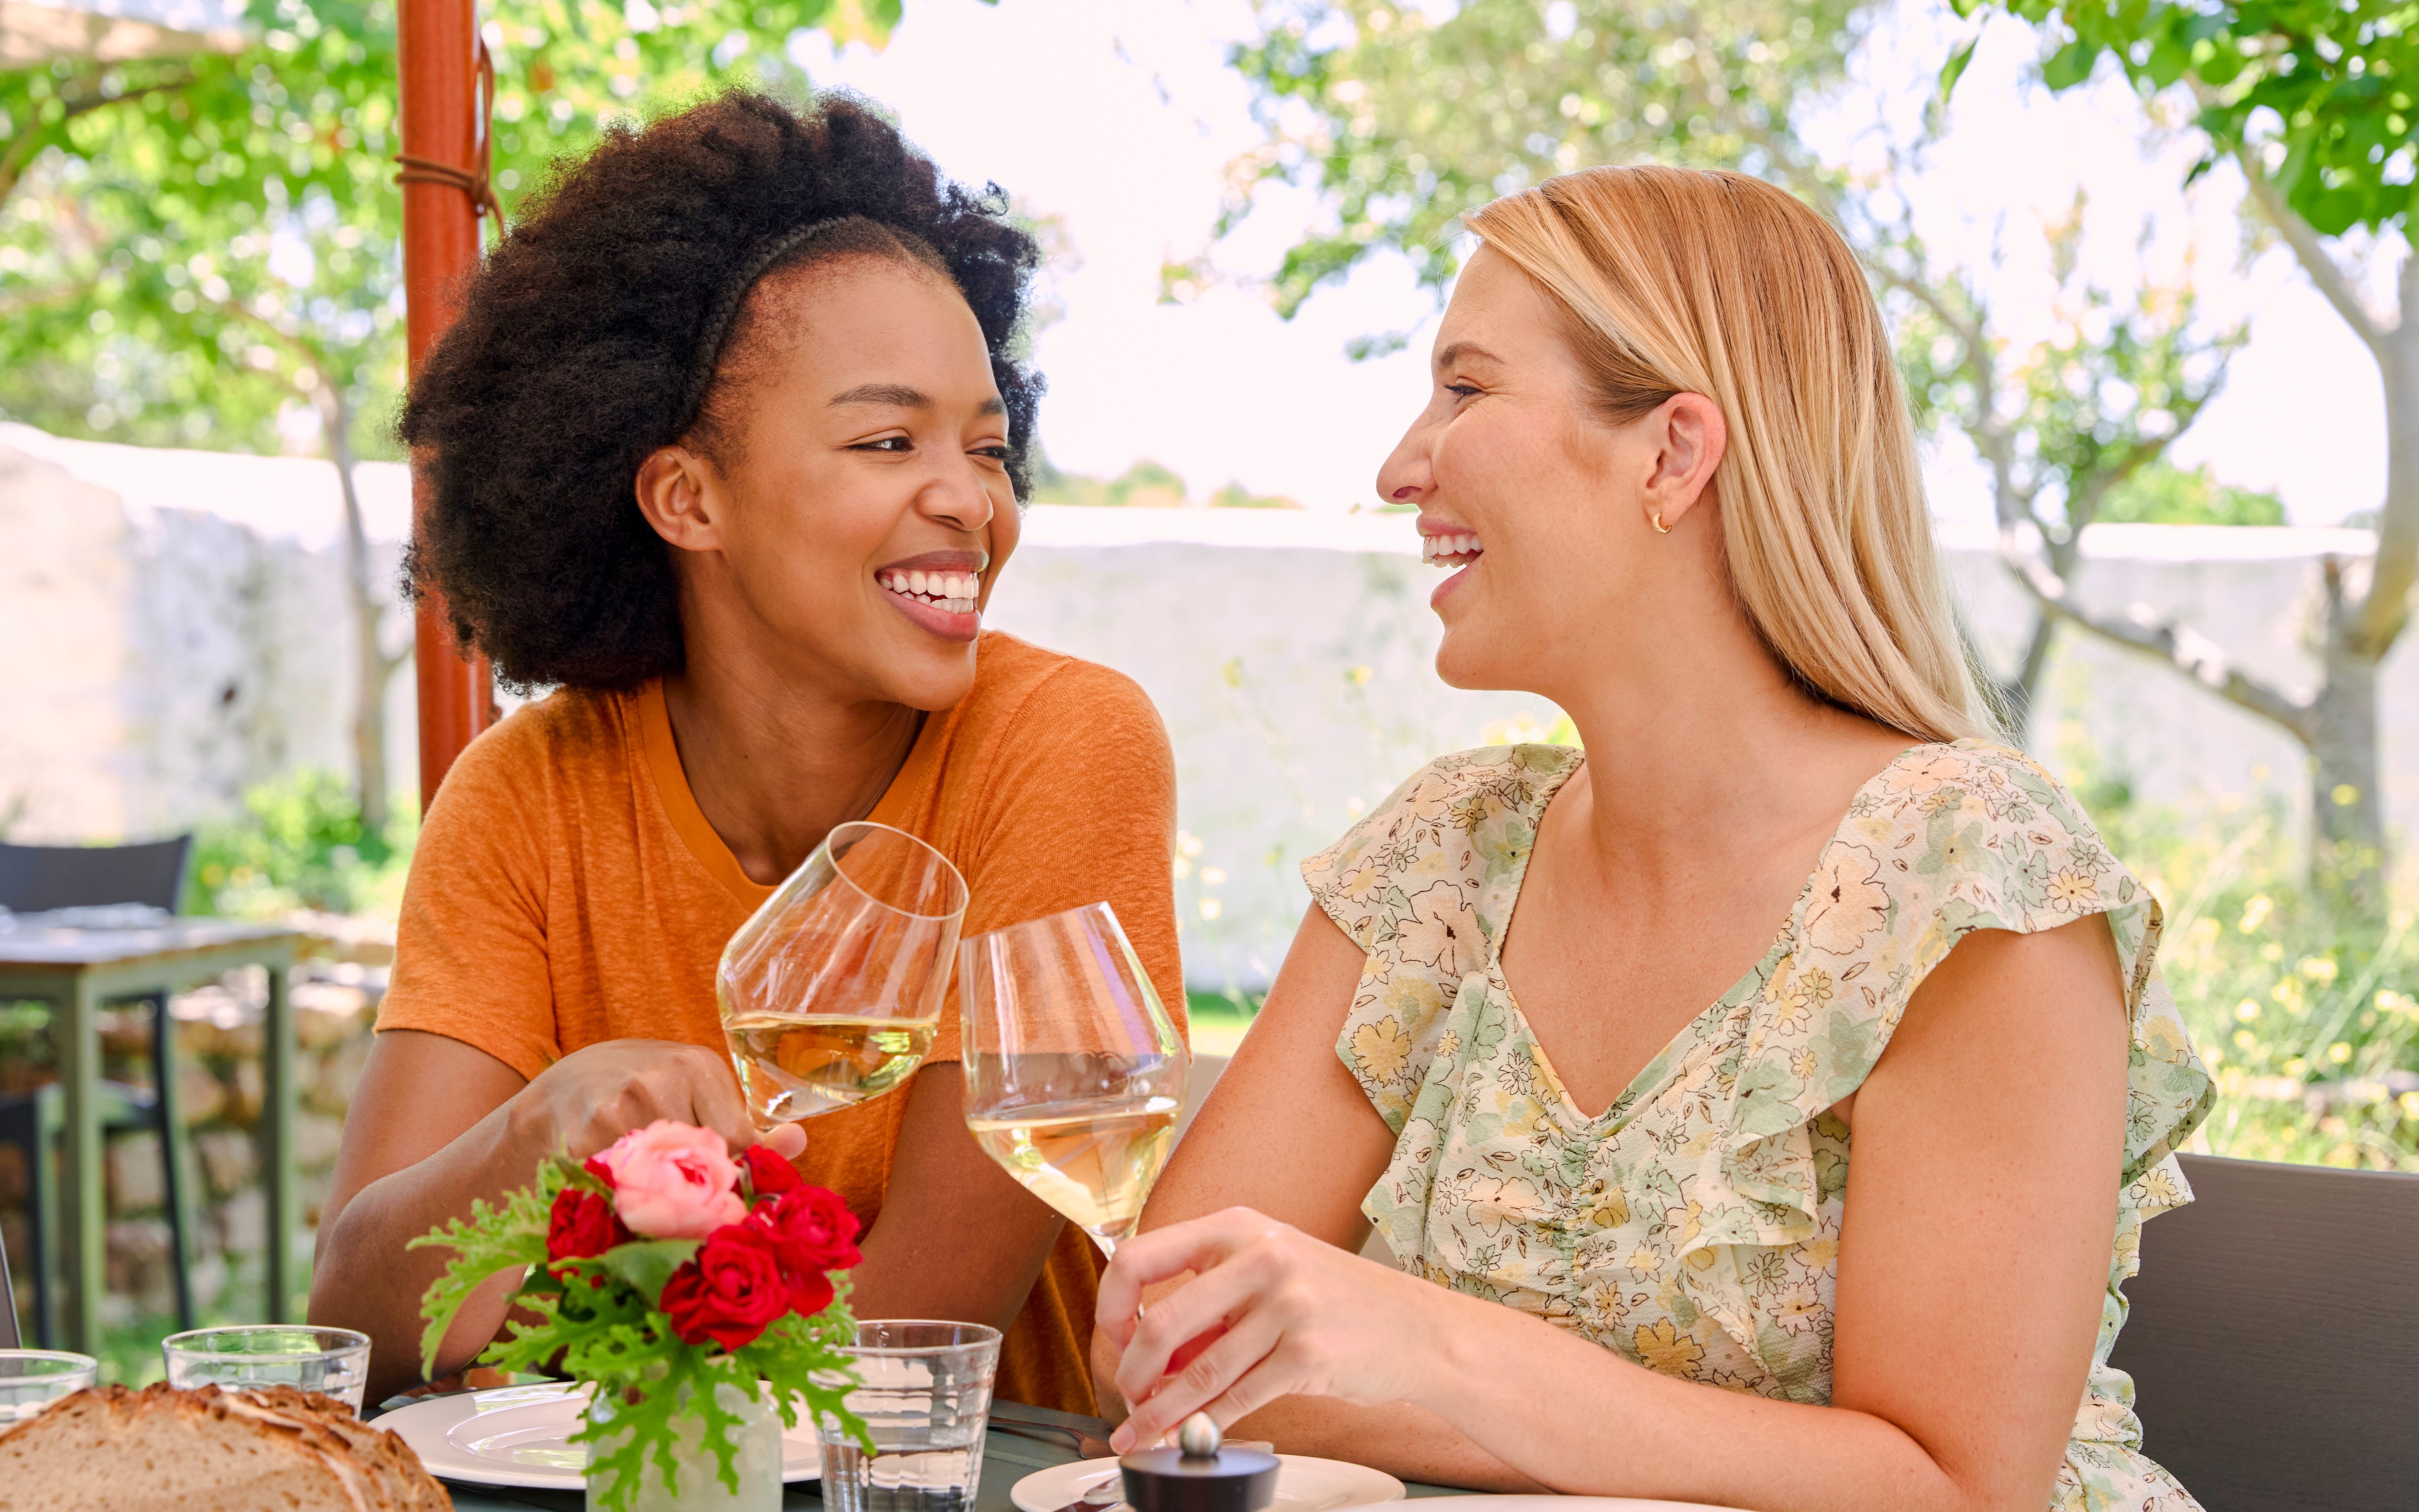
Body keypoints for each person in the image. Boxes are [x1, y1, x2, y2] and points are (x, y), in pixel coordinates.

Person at [1096, 166, 2210, 1512]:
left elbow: (1955, 1489)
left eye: (1465, 389)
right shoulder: (1443, 857)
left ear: (1673, 453)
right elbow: (1169, 1347)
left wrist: (1437, 1353)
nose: (1400, 466)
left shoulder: (1966, 878)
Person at [312, 89, 1183, 1412]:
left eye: (987, 445)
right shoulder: (529, 792)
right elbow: (362, 1323)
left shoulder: (1056, 745)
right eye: (887, 441)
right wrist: (541, 1126)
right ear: (687, 496)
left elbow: (909, 1342)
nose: (969, 498)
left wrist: (560, 1332)